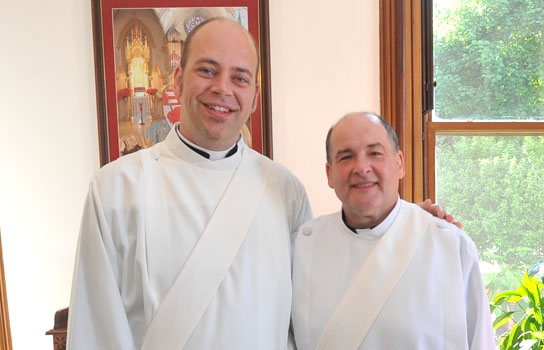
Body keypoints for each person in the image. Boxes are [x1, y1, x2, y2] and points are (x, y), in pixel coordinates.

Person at [67, 18, 458, 349]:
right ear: (176, 78)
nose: (223, 88)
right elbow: (95, 330)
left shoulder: (283, 189)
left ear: (254, 96)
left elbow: (326, 287)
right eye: (207, 70)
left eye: (240, 77)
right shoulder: (115, 190)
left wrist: (402, 227)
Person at [291, 112, 495, 349]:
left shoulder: (450, 245)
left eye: (375, 153)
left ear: (399, 164)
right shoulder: (302, 248)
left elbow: (481, 342)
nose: (362, 167)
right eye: (346, 157)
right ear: (330, 174)